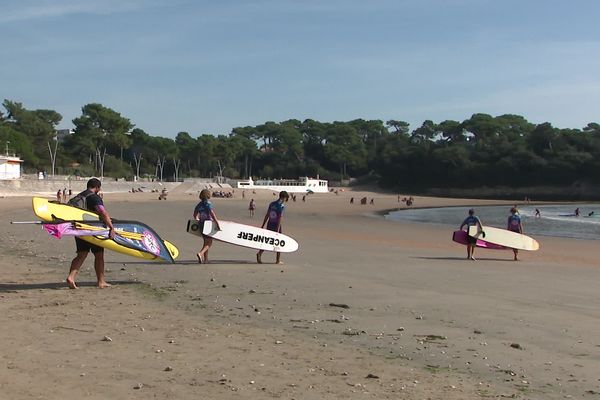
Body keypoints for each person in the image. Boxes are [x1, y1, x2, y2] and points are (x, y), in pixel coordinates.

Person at [67, 178, 114, 289]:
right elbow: (102, 212)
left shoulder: (79, 196)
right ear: (97, 187)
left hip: (79, 229)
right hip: (93, 230)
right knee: (99, 255)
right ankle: (101, 281)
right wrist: (111, 227)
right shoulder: (94, 197)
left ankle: (71, 277)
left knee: (81, 254)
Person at [257, 191, 289, 264]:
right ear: (284, 198)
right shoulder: (281, 206)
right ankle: (277, 260)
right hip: (276, 225)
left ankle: (259, 254)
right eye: (286, 198)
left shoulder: (272, 204)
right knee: (279, 242)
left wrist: (263, 225)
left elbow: (267, 215)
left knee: (267, 240)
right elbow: (279, 218)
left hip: (269, 224)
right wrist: (277, 230)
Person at [193, 189, 221, 264]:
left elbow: (195, 214)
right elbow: (211, 213)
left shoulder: (199, 204)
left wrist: (197, 219)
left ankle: (206, 259)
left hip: (201, 223)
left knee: (206, 242)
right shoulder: (208, 203)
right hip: (208, 224)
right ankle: (200, 254)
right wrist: (217, 223)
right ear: (208, 195)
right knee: (209, 243)